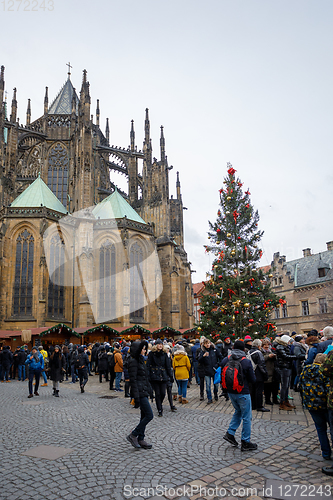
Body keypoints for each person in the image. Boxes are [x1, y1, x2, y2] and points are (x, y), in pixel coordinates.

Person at [221, 340, 257, 451]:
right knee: (247, 416)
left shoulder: (226, 359)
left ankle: (230, 433)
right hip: (243, 391)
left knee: (238, 411)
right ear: (243, 349)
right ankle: (245, 441)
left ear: (233, 348)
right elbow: (253, 379)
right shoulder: (245, 361)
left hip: (231, 391)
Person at [299, 353, 332, 460]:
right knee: (331, 429)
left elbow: (300, 386)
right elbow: (328, 388)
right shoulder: (324, 373)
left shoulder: (305, 370)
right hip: (325, 404)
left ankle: (326, 453)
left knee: (320, 429)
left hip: (311, 404)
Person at [127, 340, 153, 449]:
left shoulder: (141, 360)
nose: (145, 350)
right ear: (138, 350)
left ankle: (141, 438)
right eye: (143, 349)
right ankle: (133, 434)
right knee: (149, 415)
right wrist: (136, 397)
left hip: (144, 390)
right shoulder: (133, 361)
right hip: (139, 392)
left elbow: (144, 378)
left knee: (143, 415)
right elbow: (133, 381)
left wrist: (150, 391)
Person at [147, 339, 173, 416]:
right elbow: (148, 365)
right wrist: (148, 375)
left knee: (163, 393)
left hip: (163, 375)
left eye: (161, 344)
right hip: (155, 375)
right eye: (159, 344)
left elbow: (168, 366)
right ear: (156, 345)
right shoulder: (152, 354)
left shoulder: (164, 354)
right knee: (157, 393)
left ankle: (159, 404)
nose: (160, 345)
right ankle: (159, 409)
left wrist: (170, 376)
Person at [275, 334, 300, 410]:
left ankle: (286, 401)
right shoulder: (280, 347)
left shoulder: (284, 346)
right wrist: (297, 357)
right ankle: (282, 403)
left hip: (287, 367)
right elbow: (285, 356)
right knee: (284, 386)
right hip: (284, 367)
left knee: (286, 386)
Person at [197, 337, 221, 404]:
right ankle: (209, 398)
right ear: (204, 345)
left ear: (210, 343)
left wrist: (219, 365)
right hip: (207, 371)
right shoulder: (203, 352)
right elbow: (199, 361)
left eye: (208, 343)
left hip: (214, 370)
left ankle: (215, 393)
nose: (207, 345)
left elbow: (220, 357)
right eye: (206, 344)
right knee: (208, 385)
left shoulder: (214, 350)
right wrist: (203, 356)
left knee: (216, 385)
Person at [248, 339, 269, 412]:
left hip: (251, 373)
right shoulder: (258, 353)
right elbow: (261, 365)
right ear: (259, 346)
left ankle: (253, 405)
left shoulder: (249, 352)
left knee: (252, 390)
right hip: (258, 374)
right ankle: (259, 406)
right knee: (259, 390)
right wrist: (265, 374)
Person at [261, 338, 278, 405]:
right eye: (265, 345)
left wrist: (274, 357)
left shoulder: (270, 351)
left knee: (273, 386)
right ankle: (267, 400)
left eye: (268, 345)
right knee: (267, 387)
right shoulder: (260, 352)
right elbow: (262, 359)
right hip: (266, 371)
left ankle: (274, 399)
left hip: (272, 371)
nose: (267, 346)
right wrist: (268, 356)